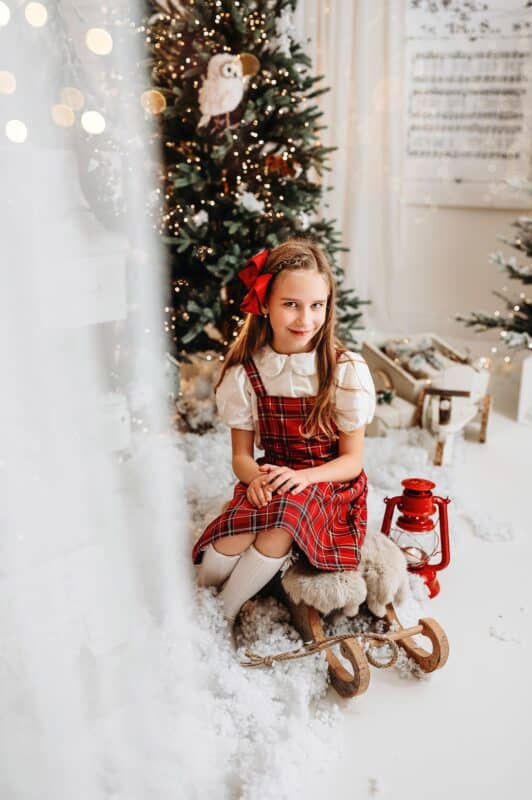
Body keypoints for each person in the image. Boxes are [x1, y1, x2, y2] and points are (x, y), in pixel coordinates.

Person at [193, 239, 376, 624]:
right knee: (234, 533)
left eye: (317, 305)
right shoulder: (247, 372)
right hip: (272, 475)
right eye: (291, 304)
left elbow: (352, 461)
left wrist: (304, 478)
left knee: (278, 528)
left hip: (327, 485)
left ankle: (224, 613)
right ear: (265, 304)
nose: (305, 319)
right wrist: (255, 478)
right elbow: (241, 456)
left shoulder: (344, 371)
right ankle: (200, 597)